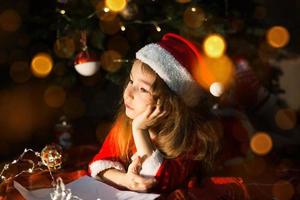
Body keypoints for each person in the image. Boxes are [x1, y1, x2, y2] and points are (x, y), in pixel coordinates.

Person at [88, 33, 221, 194]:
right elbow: (100, 162)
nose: (128, 93)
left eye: (143, 89)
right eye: (131, 81)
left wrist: (140, 130)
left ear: (171, 103)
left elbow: (157, 183)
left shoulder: (190, 138)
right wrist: (125, 179)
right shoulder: (126, 122)